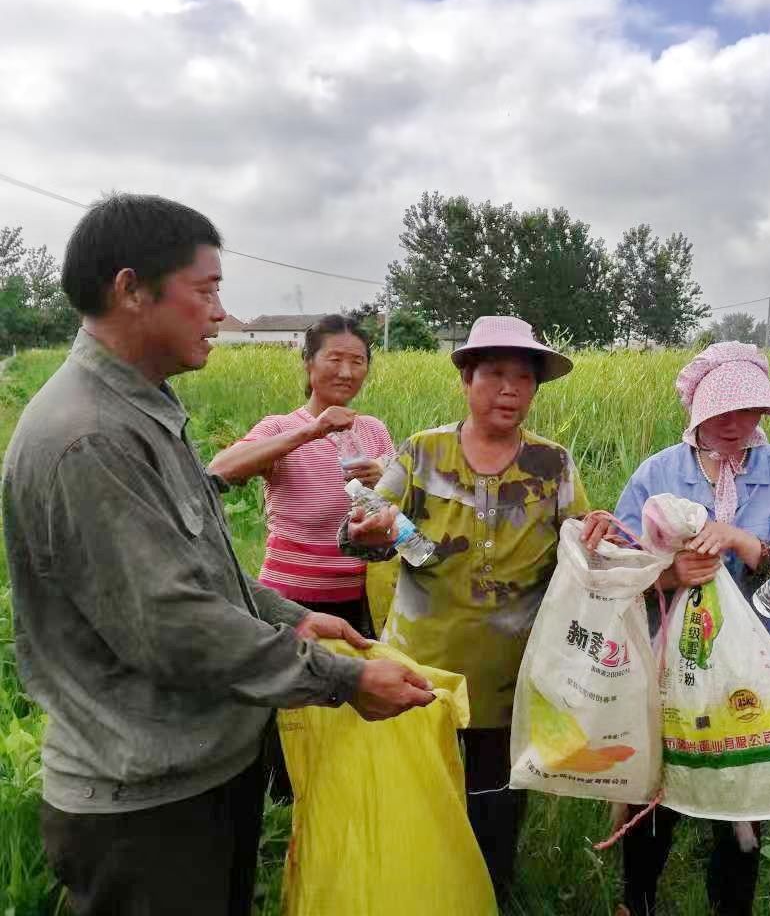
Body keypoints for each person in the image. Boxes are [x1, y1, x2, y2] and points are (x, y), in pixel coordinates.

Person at [0, 194, 434, 916]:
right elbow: (172, 623)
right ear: (131, 289)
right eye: (206, 290)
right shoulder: (91, 436)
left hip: (196, 770)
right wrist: (344, 682)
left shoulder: (143, 411)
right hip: (145, 800)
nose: (221, 314)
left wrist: (288, 615)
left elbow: (199, 567)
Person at [342, 315, 589, 903]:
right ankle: (420, 890)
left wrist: (597, 533)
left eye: (524, 378)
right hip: (423, 665)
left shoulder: (552, 464)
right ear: (467, 380)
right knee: (422, 788)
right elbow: (359, 530)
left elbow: (578, 542)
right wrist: (370, 530)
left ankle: (489, 892)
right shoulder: (423, 452)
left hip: (512, 670)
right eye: (496, 374)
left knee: (497, 797)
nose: (511, 389)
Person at [582, 341, 770, 916]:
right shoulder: (659, 472)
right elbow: (618, 568)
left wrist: (741, 540)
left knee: (740, 796)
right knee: (656, 791)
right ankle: (635, 903)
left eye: (748, 411)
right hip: (668, 663)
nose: (735, 425)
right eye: (721, 412)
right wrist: (670, 575)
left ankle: (730, 907)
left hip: (755, 665)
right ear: (696, 409)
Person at [209, 314, 394, 634]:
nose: (347, 372)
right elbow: (218, 471)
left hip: (363, 603)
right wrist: (312, 430)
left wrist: (383, 477)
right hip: (290, 606)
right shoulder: (281, 428)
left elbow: (398, 519)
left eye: (358, 361)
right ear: (308, 362)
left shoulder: (375, 431)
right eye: (334, 359)